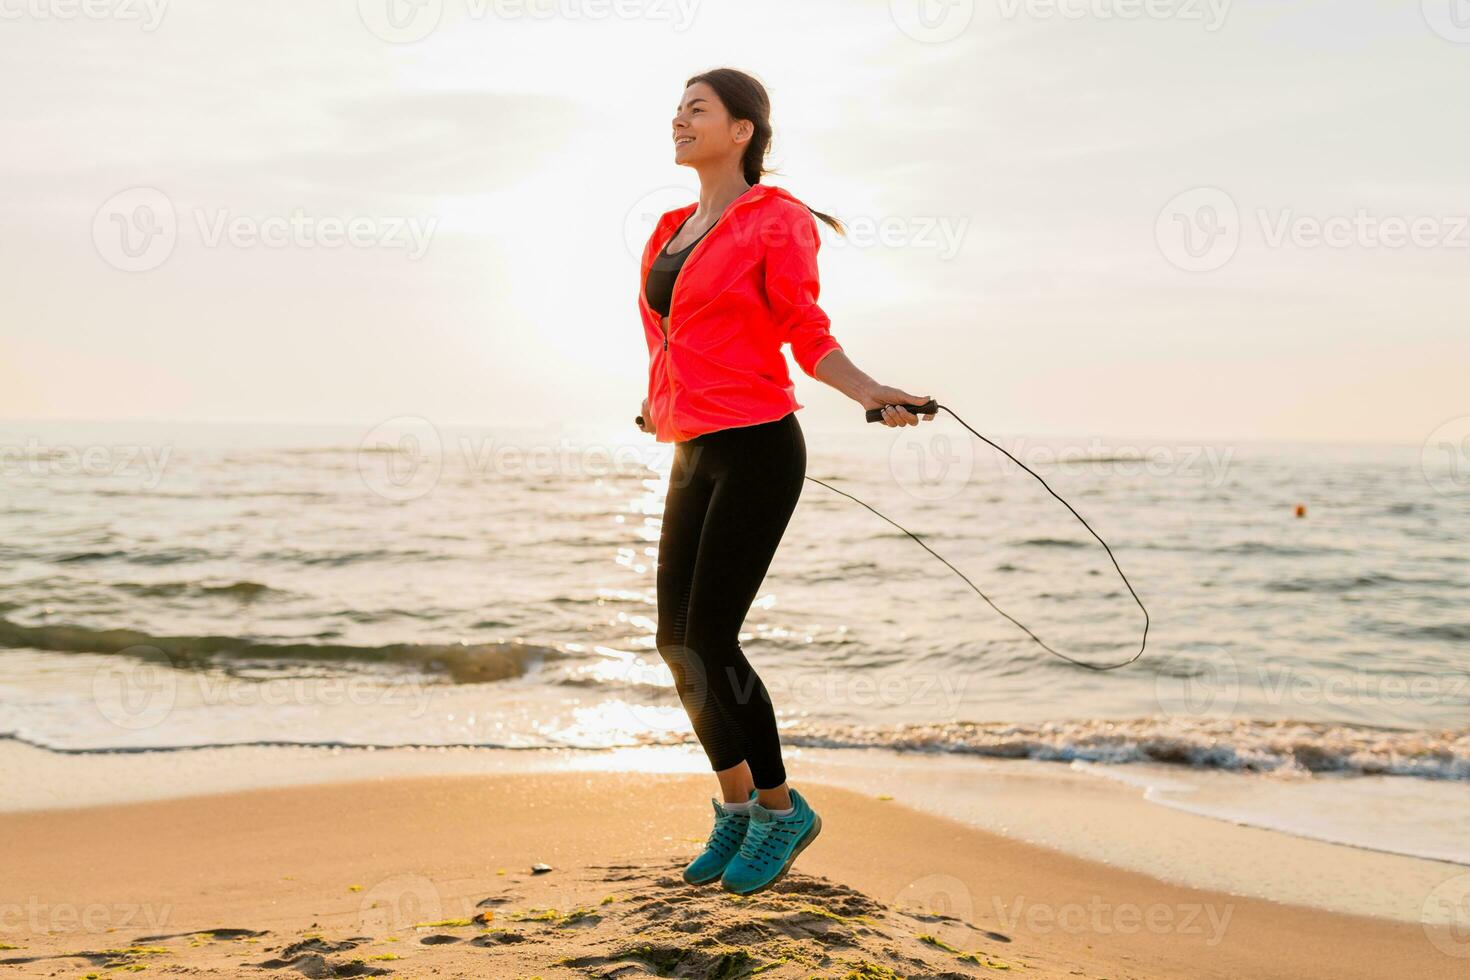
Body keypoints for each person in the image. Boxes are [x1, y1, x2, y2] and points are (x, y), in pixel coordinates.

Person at [635, 67, 936, 895]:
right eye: (677, 108)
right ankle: (735, 812)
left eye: (698, 109)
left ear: (743, 130)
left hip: (761, 446)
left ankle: (781, 810)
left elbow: (803, 327)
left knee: (713, 638)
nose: (679, 119)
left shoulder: (775, 219)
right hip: (692, 446)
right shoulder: (668, 228)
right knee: (675, 643)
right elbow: (671, 338)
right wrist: (655, 407)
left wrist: (870, 391)